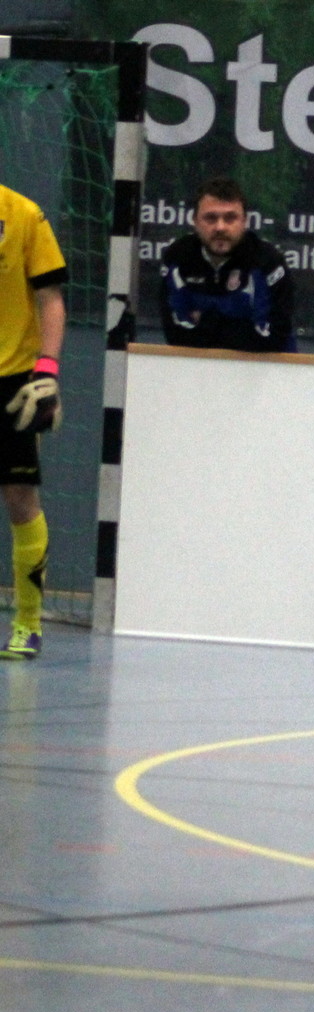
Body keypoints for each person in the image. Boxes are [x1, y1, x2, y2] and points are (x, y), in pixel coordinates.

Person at [0, 184, 67, 660]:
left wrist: (47, 369)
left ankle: (28, 622)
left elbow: (51, 297)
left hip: (11, 382)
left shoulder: (23, 213)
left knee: (20, 498)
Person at [159, 177, 295, 353]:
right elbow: (175, 335)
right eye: (210, 218)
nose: (220, 227)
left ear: (244, 221)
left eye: (230, 218)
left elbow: (273, 339)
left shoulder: (267, 262)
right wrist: (239, 325)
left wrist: (206, 321)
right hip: (195, 364)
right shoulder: (177, 257)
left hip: (265, 367)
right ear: (195, 221)